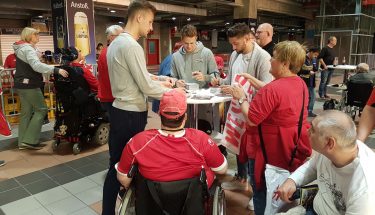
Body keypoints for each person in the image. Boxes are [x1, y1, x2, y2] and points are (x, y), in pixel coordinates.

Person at [102, 1, 173, 214]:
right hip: (130, 113)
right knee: (122, 165)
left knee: (118, 163)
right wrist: (174, 93)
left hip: (120, 109)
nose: (151, 27)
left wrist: (160, 80)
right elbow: (144, 85)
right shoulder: (131, 45)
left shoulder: (116, 42)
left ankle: (117, 207)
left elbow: (137, 76)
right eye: (150, 21)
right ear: (139, 17)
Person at [230, 41, 312, 215]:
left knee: (262, 191)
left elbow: (252, 119)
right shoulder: (300, 84)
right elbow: (276, 93)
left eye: (274, 57)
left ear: (285, 63)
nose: (270, 60)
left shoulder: (273, 90)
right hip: (291, 145)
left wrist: (241, 98)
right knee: (282, 188)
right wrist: (252, 79)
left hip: (267, 150)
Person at [116, 89, 228, 189]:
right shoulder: (201, 139)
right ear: (185, 117)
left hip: (150, 203)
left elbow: (123, 179)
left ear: (159, 114)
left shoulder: (138, 141)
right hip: (193, 202)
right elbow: (221, 169)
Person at [276, 110, 375, 215]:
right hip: (314, 206)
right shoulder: (341, 149)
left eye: (313, 130)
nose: (308, 131)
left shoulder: (365, 189)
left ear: (329, 143)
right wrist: (292, 180)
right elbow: (312, 166)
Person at [217, 23, 273, 210]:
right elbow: (230, 79)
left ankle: (254, 190)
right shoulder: (235, 55)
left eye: (236, 43)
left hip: (253, 111)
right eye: (231, 43)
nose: (233, 48)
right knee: (237, 146)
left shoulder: (263, 57)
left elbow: (268, 89)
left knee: (252, 153)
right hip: (236, 108)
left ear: (249, 38)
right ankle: (241, 179)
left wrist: (244, 97)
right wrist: (222, 84)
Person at [13, 27, 68, 150]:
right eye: (36, 34)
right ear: (29, 36)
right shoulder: (27, 49)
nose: (38, 36)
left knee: (26, 113)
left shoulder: (22, 48)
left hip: (21, 84)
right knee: (41, 109)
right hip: (30, 85)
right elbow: (36, 66)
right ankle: (30, 140)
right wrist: (56, 69)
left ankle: (22, 142)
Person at [171, 24, 218, 88]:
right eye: (186, 43)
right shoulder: (175, 56)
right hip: (183, 93)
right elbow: (173, 78)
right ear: (181, 40)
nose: (189, 46)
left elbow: (216, 76)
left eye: (191, 43)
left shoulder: (207, 53)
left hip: (203, 94)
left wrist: (205, 77)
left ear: (196, 38)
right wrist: (176, 82)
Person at [97, 25, 123, 114]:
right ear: (111, 37)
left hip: (107, 95)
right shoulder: (111, 52)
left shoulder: (105, 51)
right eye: (121, 36)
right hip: (112, 97)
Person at [152, 41, 183, 113]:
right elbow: (169, 81)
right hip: (165, 101)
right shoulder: (172, 60)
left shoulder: (171, 58)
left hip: (163, 100)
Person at [298, 47, 320, 117]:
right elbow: (298, 70)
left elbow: (315, 69)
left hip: (311, 81)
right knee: (304, 97)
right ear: (311, 52)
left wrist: (317, 68)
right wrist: (308, 72)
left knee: (313, 96)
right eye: (315, 54)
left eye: (316, 55)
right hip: (304, 81)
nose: (315, 56)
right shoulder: (302, 58)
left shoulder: (313, 59)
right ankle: (302, 111)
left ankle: (309, 111)